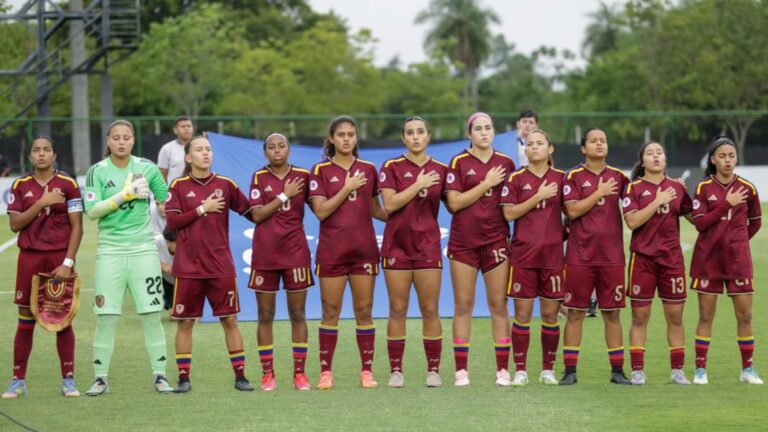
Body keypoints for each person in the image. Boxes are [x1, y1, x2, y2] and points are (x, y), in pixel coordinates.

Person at [82, 119, 174, 396]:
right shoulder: (96, 172)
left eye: (126, 137)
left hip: (143, 251)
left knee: (151, 314)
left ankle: (160, 376)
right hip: (110, 251)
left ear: (133, 140)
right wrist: (124, 195)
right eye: (116, 137)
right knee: (106, 316)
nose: (121, 141)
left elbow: (166, 202)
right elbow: (92, 210)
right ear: (108, 141)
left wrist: (164, 206)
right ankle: (100, 378)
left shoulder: (146, 168)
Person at [165, 136, 256, 393]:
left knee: (230, 321)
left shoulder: (226, 185)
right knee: (185, 323)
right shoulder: (179, 186)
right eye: (199, 150)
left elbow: (252, 213)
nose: (205, 153)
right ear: (188, 157)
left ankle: (240, 376)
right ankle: (183, 378)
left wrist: (281, 203)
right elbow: (172, 223)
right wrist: (202, 209)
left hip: (220, 266)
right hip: (188, 268)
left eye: (208, 149)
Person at [309, 115, 387, 389]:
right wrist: (347, 188)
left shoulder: (368, 169)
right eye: (340, 134)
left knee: (364, 310)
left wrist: (406, 213)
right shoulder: (319, 171)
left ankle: (367, 371)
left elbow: (377, 209)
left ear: (356, 138)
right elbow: (321, 211)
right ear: (331, 138)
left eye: (351, 135)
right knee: (330, 310)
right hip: (332, 251)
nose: (346, 139)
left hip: (364, 251)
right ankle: (325, 372)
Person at [2, 137, 83, 398]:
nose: (41, 154)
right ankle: (17, 381)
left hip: (59, 257)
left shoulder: (69, 184)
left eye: (46, 150)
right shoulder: (20, 185)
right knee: (25, 321)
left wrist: (67, 263)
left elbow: (77, 227)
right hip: (30, 258)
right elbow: (15, 225)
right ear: (30, 157)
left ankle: (68, 379)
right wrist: (41, 203)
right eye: (36, 150)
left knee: (63, 319)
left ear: (54, 154)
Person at [445, 112, 515, 387]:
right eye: (478, 129)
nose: (484, 133)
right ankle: (461, 370)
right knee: (463, 305)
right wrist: (486, 184)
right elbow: (454, 203)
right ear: (469, 134)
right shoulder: (459, 163)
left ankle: (502, 370)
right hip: (463, 243)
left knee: (498, 305)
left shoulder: (507, 163)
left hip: (496, 242)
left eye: (488, 128)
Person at [379, 116, 447, 388]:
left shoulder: (441, 169)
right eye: (410, 132)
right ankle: (396, 371)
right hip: (396, 246)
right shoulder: (391, 167)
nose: (416, 137)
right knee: (397, 309)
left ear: (428, 136)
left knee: (430, 309)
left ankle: (434, 370)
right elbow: (390, 204)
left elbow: (454, 203)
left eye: (420, 132)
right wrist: (418, 184)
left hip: (428, 245)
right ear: (403, 138)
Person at [690, 136, 763, 385]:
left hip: (738, 261)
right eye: (722, 156)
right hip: (708, 260)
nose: (728, 160)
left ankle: (747, 369)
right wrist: (725, 204)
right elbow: (700, 223)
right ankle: (700, 370)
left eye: (731, 156)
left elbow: (755, 222)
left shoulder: (748, 189)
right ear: (713, 160)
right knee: (706, 316)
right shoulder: (702, 189)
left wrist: (739, 242)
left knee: (745, 316)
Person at [560, 128, 630, 385]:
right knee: (576, 313)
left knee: (612, 314)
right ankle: (570, 371)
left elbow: (637, 204)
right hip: (580, 256)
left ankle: (617, 371)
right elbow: (573, 210)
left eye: (603, 140)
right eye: (593, 141)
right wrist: (599, 193)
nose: (599, 144)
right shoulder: (573, 176)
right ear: (583, 148)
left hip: (612, 257)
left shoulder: (619, 177)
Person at [623, 141, 693, 385]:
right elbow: (632, 222)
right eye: (650, 154)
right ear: (642, 161)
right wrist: (657, 200)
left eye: (660, 153)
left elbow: (695, 217)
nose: (656, 157)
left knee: (675, 317)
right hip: (642, 260)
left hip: (672, 260)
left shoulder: (677, 188)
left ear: (665, 159)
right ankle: (638, 371)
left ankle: (677, 371)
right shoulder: (633, 188)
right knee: (640, 317)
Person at [248, 133, 313, 392]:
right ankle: (268, 374)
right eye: (271, 147)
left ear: (289, 150)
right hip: (265, 253)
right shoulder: (258, 177)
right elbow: (257, 214)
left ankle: (300, 374)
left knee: (298, 313)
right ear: (265, 152)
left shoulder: (304, 176)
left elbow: (319, 207)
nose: (277, 150)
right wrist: (285, 196)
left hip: (296, 252)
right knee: (265, 315)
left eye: (281, 146)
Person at [500, 129, 565, 386]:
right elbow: (509, 214)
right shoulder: (515, 179)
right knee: (523, 314)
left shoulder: (563, 178)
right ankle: (521, 370)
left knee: (550, 316)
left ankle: (547, 369)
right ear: (524, 150)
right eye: (530, 144)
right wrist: (538, 196)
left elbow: (573, 212)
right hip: (523, 256)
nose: (534, 147)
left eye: (540, 143)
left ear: (550, 149)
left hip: (553, 258)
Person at [158, 116, 194, 184]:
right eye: (183, 126)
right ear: (175, 130)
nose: (187, 129)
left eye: (189, 126)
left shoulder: (199, 147)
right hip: (175, 191)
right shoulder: (167, 148)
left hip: (196, 190)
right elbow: (162, 174)